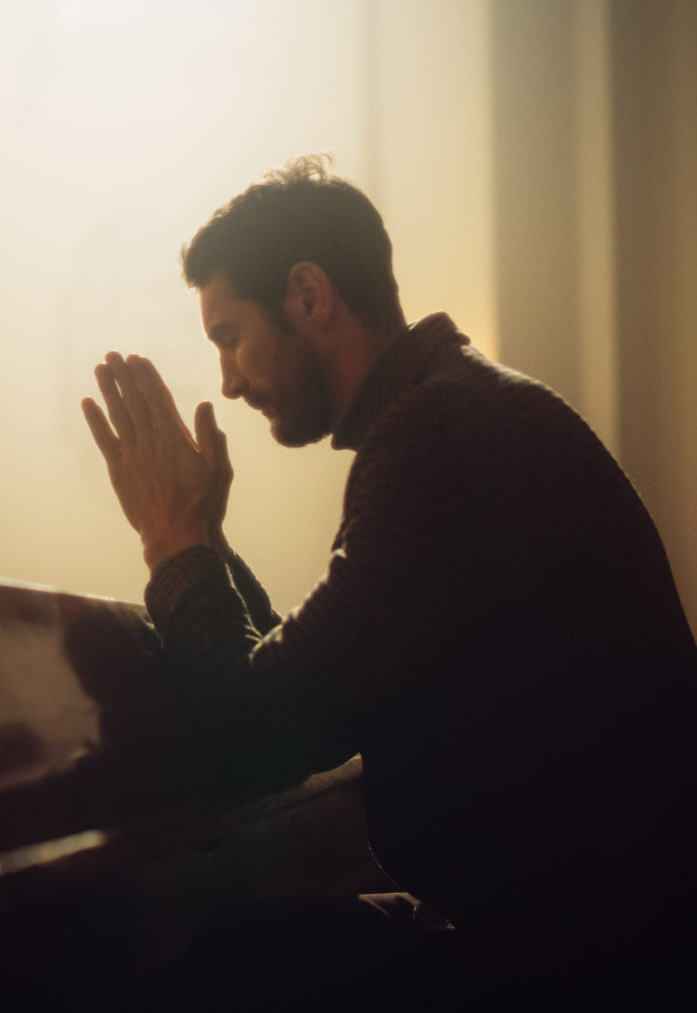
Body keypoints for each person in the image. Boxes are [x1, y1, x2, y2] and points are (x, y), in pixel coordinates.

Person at [82, 155, 697, 1004]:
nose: (226, 379)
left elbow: (262, 729)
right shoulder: (458, 405)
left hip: (590, 959)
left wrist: (171, 539)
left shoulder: (432, 435)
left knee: (206, 969)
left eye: (229, 335)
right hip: (593, 925)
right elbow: (322, 678)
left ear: (308, 295)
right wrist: (210, 544)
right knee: (246, 942)